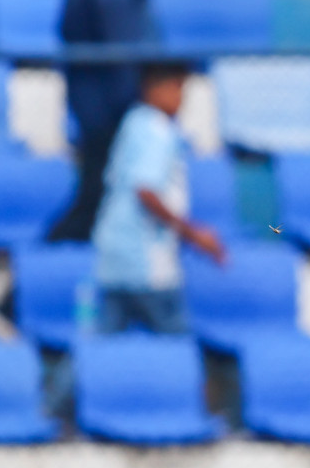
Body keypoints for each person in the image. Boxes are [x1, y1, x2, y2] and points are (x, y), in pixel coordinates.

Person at [48, 0, 158, 243]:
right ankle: (24, 292)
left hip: (97, 98)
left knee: (100, 196)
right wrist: (138, 97)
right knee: (96, 199)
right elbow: (122, 42)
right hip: (110, 104)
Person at [91, 63, 226, 335]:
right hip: (146, 261)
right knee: (177, 342)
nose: (181, 98)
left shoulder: (133, 122)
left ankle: (59, 380)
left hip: (113, 256)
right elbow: (146, 191)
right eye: (177, 88)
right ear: (153, 87)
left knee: (99, 346)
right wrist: (193, 234)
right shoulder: (157, 129)